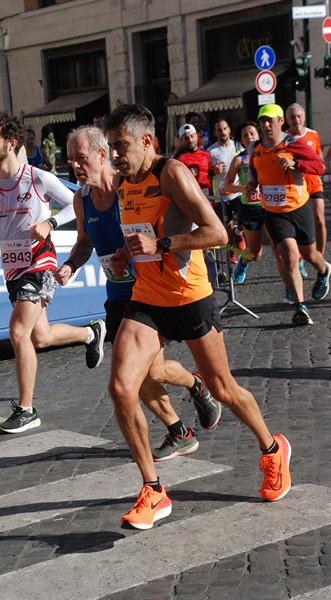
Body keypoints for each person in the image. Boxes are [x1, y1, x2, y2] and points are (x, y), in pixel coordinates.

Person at [105, 103, 292, 530]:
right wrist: (124, 254)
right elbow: (140, 237)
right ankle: (153, 489)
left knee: (224, 389)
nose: (115, 155)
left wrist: (164, 245)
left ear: (147, 141)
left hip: (190, 298)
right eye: (110, 146)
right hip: (147, 298)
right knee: (120, 387)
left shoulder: (170, 173)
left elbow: (217, 234)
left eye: (121, 145)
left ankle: (272, 448)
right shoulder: (122, 183)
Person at [55, 125, 220, 461]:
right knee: (138, 374)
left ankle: (196, 385)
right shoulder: (81, 198)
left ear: (103, 155)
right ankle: (179, 430)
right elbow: (85, 242)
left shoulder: (128, 186)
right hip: (119, 293)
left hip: (153, 288)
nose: (74, 166)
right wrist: (71, 265)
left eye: (80, 158)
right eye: (70, 159)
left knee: (152, 371)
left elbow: (172, 221)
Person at [0, 111, 106, 434]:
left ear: (11, 143)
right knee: (39, 337)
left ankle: (27, 409)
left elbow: (75, 203)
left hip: (40, 263)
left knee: (18, 332)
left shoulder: (36, 177)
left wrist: (49, 222)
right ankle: (91, 333)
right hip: (12, 269)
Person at [248, 104, 330, 326]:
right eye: (262, 121)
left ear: (280, 121)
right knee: (290, 256)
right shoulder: (254, 147)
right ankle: (300, 307)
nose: (265, 125)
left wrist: (296, 163)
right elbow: (253, 173)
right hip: (273, 213)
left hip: (298, 207)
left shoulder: (292, 143)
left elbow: (319, 166)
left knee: (310, 254)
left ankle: (323, 270)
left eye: (270, 120)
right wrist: (252, 184)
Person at [225, 121, 284, 285]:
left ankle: (292, 276)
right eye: (245, 135)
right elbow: (228, 185)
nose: (249, 137)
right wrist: (243, 188)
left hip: (270, 205)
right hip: (250, 209)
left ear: (259, 135)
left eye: (252, 133)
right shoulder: (239, 159)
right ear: (241, 140)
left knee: (281, 245)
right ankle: (243, 263)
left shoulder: (268, 153)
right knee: (255, 253)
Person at [286, 103, 327, 258]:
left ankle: (320, 255)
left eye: (299, 116)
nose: (296, 120)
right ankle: (300, 256)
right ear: (287, 120)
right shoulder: (285, 139)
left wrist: (318, 167)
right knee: (298, 225)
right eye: (292, 117)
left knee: (320, 220)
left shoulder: (313, 134)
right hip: (295, 185)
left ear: (304, 117)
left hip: (313, 183)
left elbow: (319, 158)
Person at [208, 118, 245, 263]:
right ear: (215, 133)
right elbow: (206, 172)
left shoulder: (238, 146)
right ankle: (231, 253)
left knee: (243, 221)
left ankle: (239, 232)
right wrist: (214, 171)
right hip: (222, 195)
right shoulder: (211, 151)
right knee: (227, 226)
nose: (222, 132)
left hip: (237, 191)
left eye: (224, 128)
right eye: (219, 130)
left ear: (229, 129)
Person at [174, 124, 211, 197]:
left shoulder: (207, 154)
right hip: (190, 195)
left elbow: (209, 172)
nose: (190, 140)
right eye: (186, 138)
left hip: (207, 195)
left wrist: (215, 170)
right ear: (181, 140)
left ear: (196, 136)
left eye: (192, 136)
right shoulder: (178, 158)